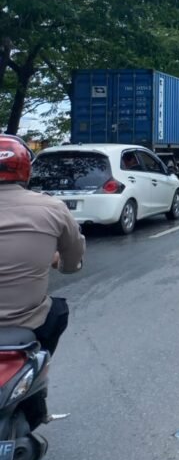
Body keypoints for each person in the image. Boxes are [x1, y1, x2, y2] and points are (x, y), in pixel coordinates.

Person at [0, 134, 86, 354]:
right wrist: (63, 263)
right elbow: (73, 259)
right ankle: (39, 371)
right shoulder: (53, 208)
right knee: (57, 310)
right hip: (28, 323)